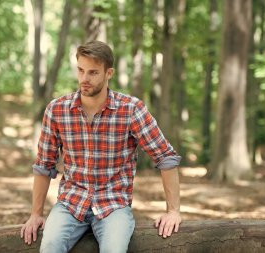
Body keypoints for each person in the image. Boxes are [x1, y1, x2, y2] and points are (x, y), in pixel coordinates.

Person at [20, 40, 182, 253]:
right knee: (49, 246)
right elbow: (44, 165)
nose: (84, 79)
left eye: (93, 73)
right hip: (70, 203)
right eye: (80, 70)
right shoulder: (57, 110)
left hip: (113, 204)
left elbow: (165, 157)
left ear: (109, 73)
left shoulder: (131, 109)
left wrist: (173, 212)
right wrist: (36, 214)